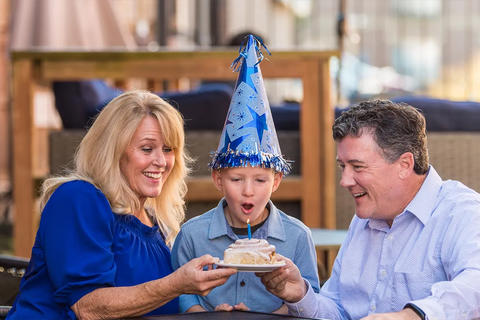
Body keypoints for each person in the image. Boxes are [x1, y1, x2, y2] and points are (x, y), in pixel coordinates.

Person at [7, 90, 236, 319]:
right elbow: (88, 307)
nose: (161, 162)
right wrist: (176, 284)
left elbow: (159, 304)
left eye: (168, 149)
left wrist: (209, 312)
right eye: (147, 149)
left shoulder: (157, 222)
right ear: (113, 152)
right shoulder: (79, 198)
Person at [259, 100, 480, 319]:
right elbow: (338, 308)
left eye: (357, 167)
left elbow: (475, 286)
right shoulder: (365, 218)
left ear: (404, 165)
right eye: (343, 167)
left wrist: (410, 316)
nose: (345, 181)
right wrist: (300, 295)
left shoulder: (462, 211)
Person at [171, 35, 319, 314]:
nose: (248, 191)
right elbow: (179, 291)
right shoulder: (192, 234)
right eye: (236, 179)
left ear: (276, 181)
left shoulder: (297, 237)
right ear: (218, 180)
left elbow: (309, 296)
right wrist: (202, 314)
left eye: (260, 180)